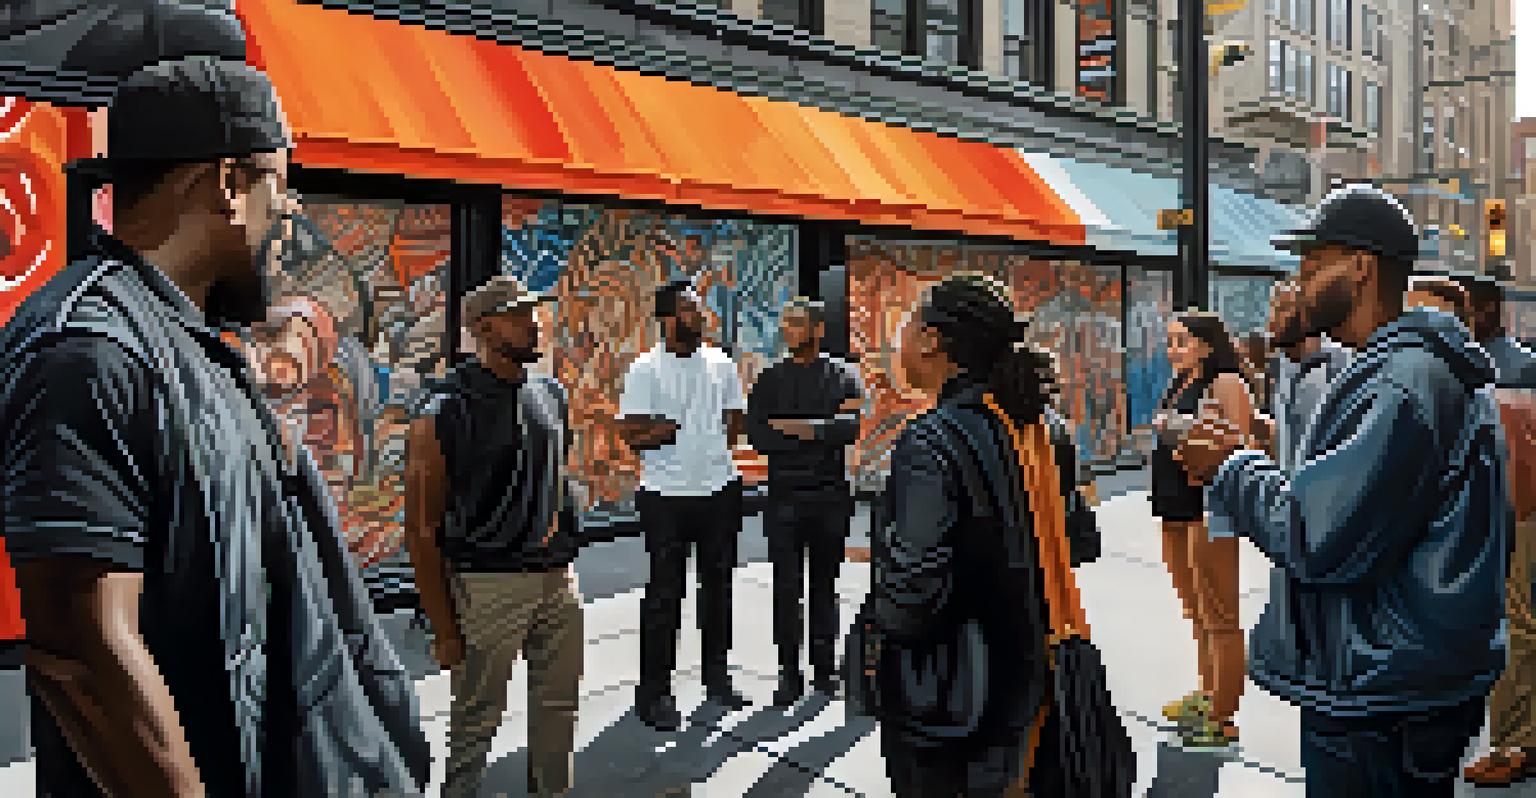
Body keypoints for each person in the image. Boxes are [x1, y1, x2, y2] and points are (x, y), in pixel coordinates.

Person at [0, 58, 429, 798]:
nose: (288, 216)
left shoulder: (195, 344)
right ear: (228, 185)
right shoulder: (89, 349)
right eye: (279, 186)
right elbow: (79, 653)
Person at [1180, 185, 1507, 798]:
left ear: (1360, 268)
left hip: (1382, 694)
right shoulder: (1408, 370)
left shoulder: (1403, 382)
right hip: (1409, 678)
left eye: (1311, 268)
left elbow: (1315, 533)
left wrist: (1230, 465)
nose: (1299, 285)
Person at [867, 274, 1101, 796]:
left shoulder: (931, 439)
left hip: (952, 700)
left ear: (931, 340)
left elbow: (912, 593)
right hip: (1036, 683)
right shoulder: (1045, 427)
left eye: (907, 323)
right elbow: (1080, 540)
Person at [405, 275, 583, 798]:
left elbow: (555, 476)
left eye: (536, 313)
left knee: (559, 709)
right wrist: (444, 628)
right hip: (486, 587)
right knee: (476, 719)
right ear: (484, 329)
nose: (535, 324)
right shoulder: (444, 409)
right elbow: (421, 527)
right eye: (518, 315)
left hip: (557, 580)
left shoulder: (550, 392)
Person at [617, 279, 751, 731]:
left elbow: (735, 421)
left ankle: (718, 678)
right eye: (690, 309)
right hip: (664, 498)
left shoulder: (721, 363)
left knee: (719, 591)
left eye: (699, 308)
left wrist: (711, 448)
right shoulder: (644, 370)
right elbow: (630, 433)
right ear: (668, 318)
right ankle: (654, 693)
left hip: (719, 492)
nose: (700, 315)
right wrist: (664, 434)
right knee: (664, 596)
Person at [745, 298, 864, 707]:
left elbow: (849, 429)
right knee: (786, 591)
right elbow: (759, 437)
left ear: (817, 329)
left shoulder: (844, 375)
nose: (788, 330)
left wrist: (796, 429)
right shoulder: (769, 380)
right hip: (784, 500)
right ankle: (789, 675)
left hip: (830, 498)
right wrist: (819, 432)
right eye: (785, 323)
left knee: (825, 589)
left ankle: (825, 671)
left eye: (796, 323)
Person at [1150, 312, 1255, 746]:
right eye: (1171, 341)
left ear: (1207, 344)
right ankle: (1207, 697)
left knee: (1220, 616)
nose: (1174, 348)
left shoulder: (1225, 381)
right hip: (1175, 510)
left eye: (1183, 341)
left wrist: (1185, 433)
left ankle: (1223, 716)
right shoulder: (1180, 383)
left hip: (1208, 511)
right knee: (1196, 614)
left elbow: (1242, 442)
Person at [1455, 274, 1536, 786]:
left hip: (1509, 512)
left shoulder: (1510, 367)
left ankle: (1514, 741)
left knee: (1514, 625)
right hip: (1495, 510)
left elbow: (1521, 452)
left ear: (1484, 312)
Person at [1263, 282, 1353, 473]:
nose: (1271, 320)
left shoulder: (1341, 362)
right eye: (1272, 309)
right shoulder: (1282, 362)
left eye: (1283, 309)